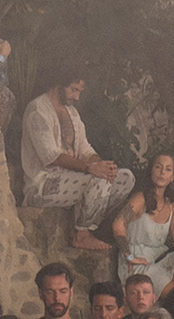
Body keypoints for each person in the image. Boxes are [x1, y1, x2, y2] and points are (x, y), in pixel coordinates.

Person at [19, 71, 131, 248]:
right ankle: (82, 236)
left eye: (80, 91)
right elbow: (51, 156)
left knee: (125, 179)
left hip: (72, 181)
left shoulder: (72, 113)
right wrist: (91, 168)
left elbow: (85, 149)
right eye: (73, 90)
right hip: (42, 186)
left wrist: (102, 165)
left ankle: (83, 224)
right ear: (58, 84)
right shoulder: (37, 110)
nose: (77, 97)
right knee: (99, 180)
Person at [115, 147, 174, 289]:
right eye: (158, 167)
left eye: (168, 169)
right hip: (138, 261)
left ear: (172, 177)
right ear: (151, 171)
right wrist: (129, 255)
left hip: (159, 257)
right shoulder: (140, 199)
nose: (162, 172)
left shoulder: (173, 205)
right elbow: (118, 224)